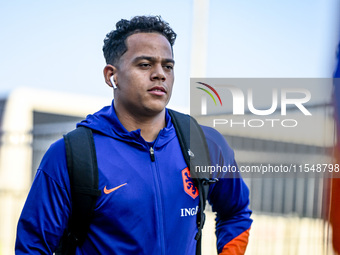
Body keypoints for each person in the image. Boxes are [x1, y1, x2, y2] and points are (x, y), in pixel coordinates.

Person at [15, 15, 252, 254]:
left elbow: (236, 212)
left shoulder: (203, 143)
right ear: (111, 76)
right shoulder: (71, 155)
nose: (160, 74)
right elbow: (32, 246)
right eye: (145, 64)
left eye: (167, 66)